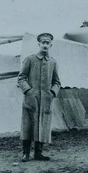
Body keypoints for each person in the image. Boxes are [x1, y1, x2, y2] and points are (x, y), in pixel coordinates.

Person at [18, 33, 61, 161]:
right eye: (43, 43)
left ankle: (38, 152)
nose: (45, 45)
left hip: (46, 101)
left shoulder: (52, 62)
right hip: (31, 100)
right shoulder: (30, 59)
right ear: (39, 44)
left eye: (48, 43)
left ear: (51, 45)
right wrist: (28, 91)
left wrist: (52, 93)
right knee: (28, 125)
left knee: (43, 125)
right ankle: (25, 153)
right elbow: (21, 77)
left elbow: (57, 82)